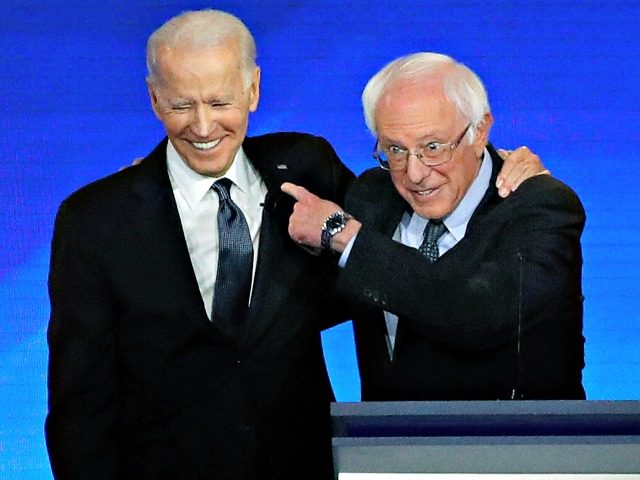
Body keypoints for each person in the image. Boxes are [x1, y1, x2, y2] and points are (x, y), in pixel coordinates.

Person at [46, 9, 546, 479]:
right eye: (181, 104)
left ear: (253, 89)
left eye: (220, 102)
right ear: (155, 98)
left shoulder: (307, 167)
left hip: (301, 466)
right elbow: (79, 399)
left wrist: (498, 166)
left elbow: (414, 226)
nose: (202, 126)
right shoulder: (96, 220)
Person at [282, 52, 585, 401]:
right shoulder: (370, 196)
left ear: (479, 130)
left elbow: (471, 312)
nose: (415, 173)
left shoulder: (540, 208)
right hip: (386, 448)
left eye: (433, 147)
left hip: (513, 447)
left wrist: (344, 234)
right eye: (395, 149)